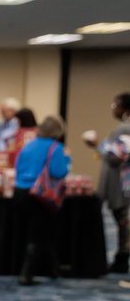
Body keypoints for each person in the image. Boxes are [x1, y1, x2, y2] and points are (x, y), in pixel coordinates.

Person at [13, 116, 71, 285]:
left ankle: (54, 268)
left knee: (41, 232)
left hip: (19, 192)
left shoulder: (28, 145)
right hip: (39, 195)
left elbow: (17, 166)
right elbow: (58, 171)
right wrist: (67, 159)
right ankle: (26, 274)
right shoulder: (56, 148)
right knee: (38, 234)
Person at [82, 92, 130, 274]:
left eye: (115, 105)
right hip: (125, 180)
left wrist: (96, 144)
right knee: (123, 220)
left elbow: (116, 156)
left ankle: (122, 258)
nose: (113, 109)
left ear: (125, 108)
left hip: (122, 182)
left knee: (123, 221)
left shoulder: (124, 129)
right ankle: (122, 256)